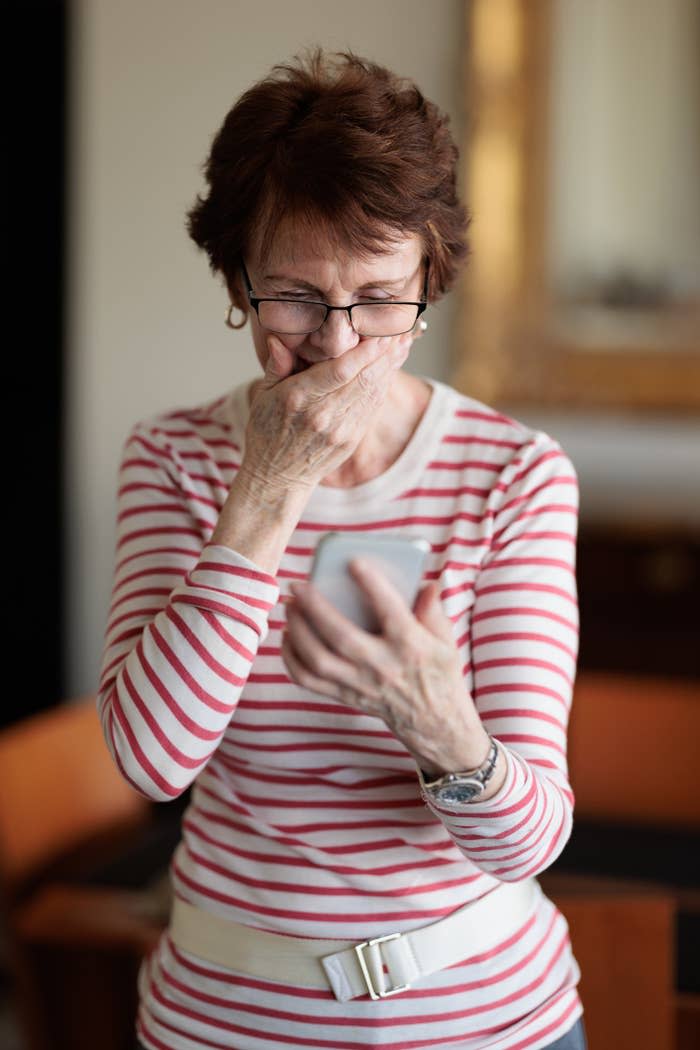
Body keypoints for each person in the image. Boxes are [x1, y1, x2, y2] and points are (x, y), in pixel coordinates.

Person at [98, 49, 587, 1050]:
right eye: (294, 297)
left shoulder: (515, 474)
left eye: (376, 298)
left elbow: (528, 841)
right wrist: (268, 487)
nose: (336, 344)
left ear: (427, 282)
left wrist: (439, 724)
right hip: (224, 1018)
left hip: (484, 1020)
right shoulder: (174, 459)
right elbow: (151, 763)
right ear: (238, 278)